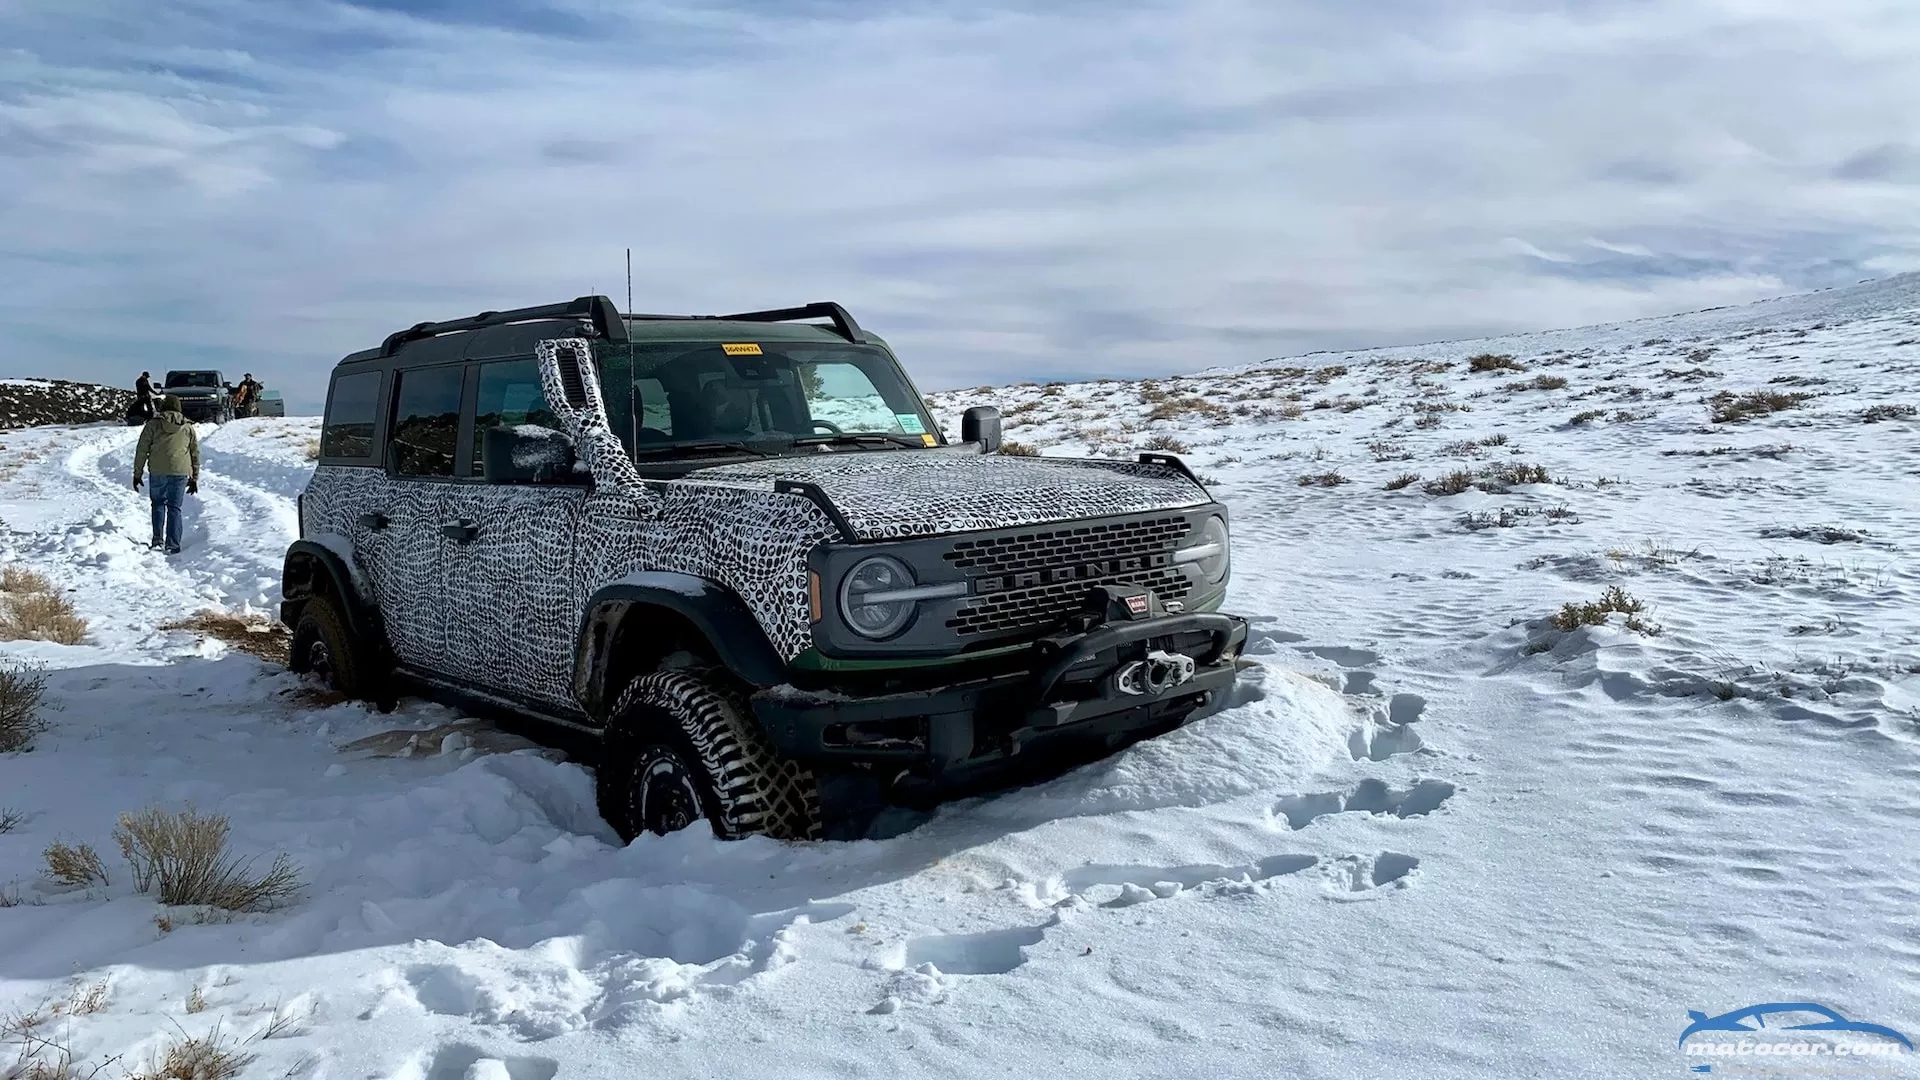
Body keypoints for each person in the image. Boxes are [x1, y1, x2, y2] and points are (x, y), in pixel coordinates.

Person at [132, 394, 200, 555]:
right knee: (174, 508)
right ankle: (173, 544)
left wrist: (137, 473)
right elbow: (194, 453)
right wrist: (194, 477)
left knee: (157, 504)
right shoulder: (187, 427)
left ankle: (157, 541)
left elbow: (142, 450)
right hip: (180, 472)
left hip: (157, 471)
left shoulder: (153, 425)